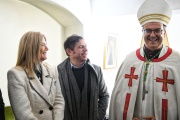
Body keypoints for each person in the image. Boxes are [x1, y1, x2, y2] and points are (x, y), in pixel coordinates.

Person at [109, 0, 180, 120]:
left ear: (164, 32)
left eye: (157, 30)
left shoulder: (177, 61)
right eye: (148, 30)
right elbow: (118, 99)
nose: (152, 35)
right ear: (142, 32)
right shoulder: (129, 60)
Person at [7, 31, 65, 120]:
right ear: (31, 47)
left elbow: (59, 101)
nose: (47, 48)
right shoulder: (15, 74)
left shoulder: (52, 69)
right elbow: (24, 115)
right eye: (42, 45)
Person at [57, 34, 109, 120]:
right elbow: (56, 101)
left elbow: (104, 95)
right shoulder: (58, 72)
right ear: (69, 51)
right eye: (81, 47)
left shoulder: (96, 70)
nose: (86, 49)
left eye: (86, 46)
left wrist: (99, 116)